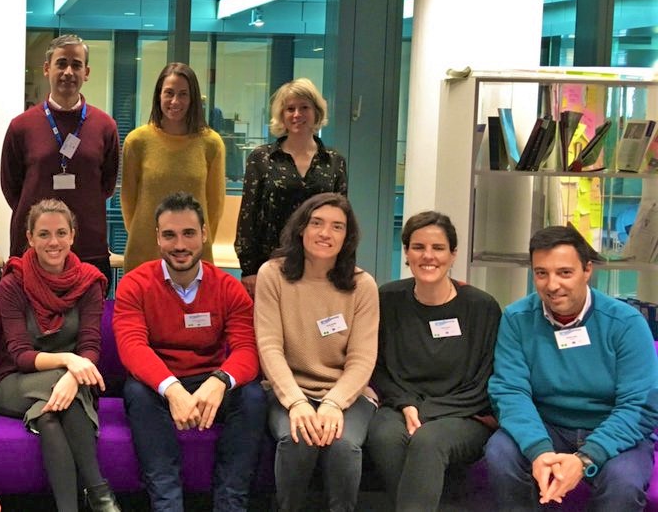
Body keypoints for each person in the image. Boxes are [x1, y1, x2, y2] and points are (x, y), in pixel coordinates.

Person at [485, 225, 658, 511]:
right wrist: (539, 451)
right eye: (541, 273)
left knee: (623, 483)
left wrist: (586, 458)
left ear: (587, 270)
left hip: (610, 427)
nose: (552, 285)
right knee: (500, 454)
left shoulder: (626, 323)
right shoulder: (517, 318)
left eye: (564, 272)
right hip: (546, 425)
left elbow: (640, 405)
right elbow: (510, 391)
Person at [113, 191, 266, 512]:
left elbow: (248, 349)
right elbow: (132, 347)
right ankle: (167, 506)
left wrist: (220, 380)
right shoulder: (135, 284)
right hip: (159, 385)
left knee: (252, 396)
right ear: (157, 237)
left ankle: (230, 505)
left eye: (189, 233)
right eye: (170, 235)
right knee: (136, 391)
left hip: (211, 382)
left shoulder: (228, 287)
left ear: (204, 234)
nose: (180, 244)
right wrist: (172, 389)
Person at [0, 199, 119, 512]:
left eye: (61, 233)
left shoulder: (89, 282)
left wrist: (73, 374)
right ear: (30, 238)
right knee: (64, 395)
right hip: (15, 382)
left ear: (72, 235)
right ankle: (99, 493)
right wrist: (69, 365)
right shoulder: (13, 282)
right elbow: (20, 354)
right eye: (43, 234)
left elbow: (90, 346)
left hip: (72, 384)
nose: (53, 242)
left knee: (47, 417)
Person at [365, 211, 501, 511]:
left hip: (465, 413)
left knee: (428, 440)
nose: (428, 256)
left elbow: (485, 381)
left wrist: (426, 412)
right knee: (385, 436)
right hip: (401, 405)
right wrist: (406, 404)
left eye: (438, 248)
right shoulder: (387, 299)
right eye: (418, 247)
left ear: (453, 254)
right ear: (406, 252)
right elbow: (378, 367)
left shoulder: (481, 307)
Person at [253, 192, 378, 512]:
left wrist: (334, 403)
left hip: (347, 394)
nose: (326, 233)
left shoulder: (363, 285)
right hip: (288, 390)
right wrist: (296, 402)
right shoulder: (272, 274)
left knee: (343, 445)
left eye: (337, 227)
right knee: (299, 438)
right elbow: (269, 347)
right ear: (301, 228)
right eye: (317, 223)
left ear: (347, 237)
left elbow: (362, 358)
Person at [1, 34, 120, 278]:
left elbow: (107, 186)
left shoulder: (105, 126)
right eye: (61, 63)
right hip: (33, 252)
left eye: (76, 65)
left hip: (88, 249)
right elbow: (12, 188)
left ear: (86, 72)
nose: (68, 72)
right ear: (47, 68)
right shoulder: (21, 126)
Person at [236, 78, 347, 294]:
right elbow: (248, 217)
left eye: (304, 107)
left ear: (316, 112)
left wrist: (341, 265)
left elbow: (341, 219)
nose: (297, 114)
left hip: (320, 265)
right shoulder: (261, 158)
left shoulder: (334, 161)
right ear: (281, 115)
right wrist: (249, 268)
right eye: (290, 109)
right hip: (271, 264)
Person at [121, 62, 225, 272]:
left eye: (183, 94)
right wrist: (146, 237)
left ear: (193, 98)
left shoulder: (211, 143)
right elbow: (128, 202)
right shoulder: (137, 141)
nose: (175, 101)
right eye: (169, 93)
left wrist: (195, 242)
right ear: (159, 96)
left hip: (193, 256)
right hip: (144, 254)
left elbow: (215, 205)